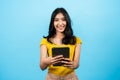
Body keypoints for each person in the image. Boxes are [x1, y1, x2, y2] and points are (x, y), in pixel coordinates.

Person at [40, 7, 82, 80]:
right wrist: (47, 61)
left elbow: (76, 64)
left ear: (67, 21)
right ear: (52, 23)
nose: (60, 23)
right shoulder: (45, 41)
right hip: (51, 77)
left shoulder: (76, 40)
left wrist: (74, 64)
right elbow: (42, 67)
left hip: (70, 77)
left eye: (63, 20)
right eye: (56, 20)